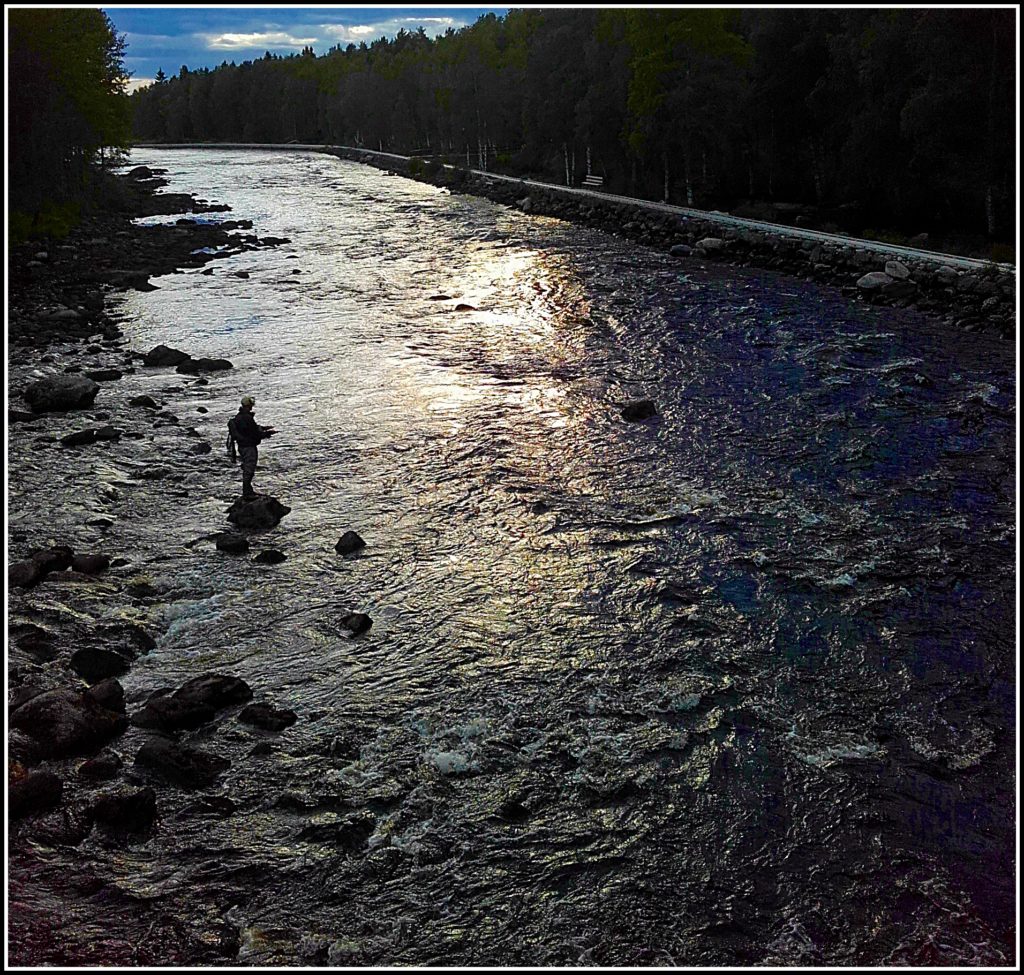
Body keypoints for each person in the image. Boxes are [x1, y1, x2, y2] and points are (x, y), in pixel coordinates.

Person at [227, 395, 275, 498]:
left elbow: (249, 430)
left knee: (247, 468)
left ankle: (248, 490)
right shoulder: (247, 418)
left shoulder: (239, 416)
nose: (252, 407)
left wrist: (263, 428)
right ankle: (247, 492)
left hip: (242, 446)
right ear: (249, 406)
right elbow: (253, 433)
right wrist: (267, 434)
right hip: (248, 447)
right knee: (249, 468)